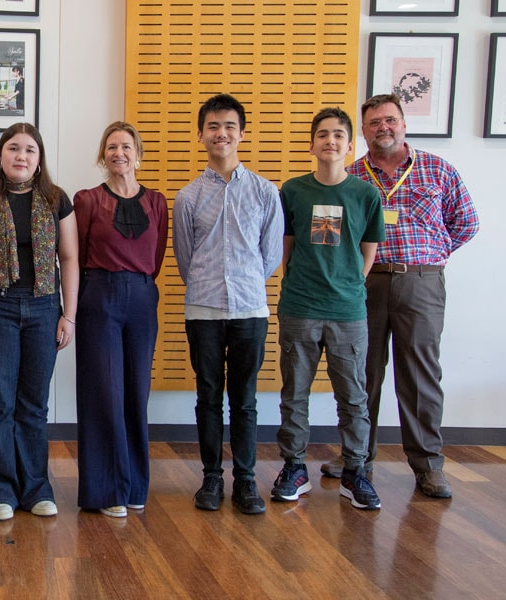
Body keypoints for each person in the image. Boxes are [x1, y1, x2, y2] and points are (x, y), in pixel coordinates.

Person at [325, 93, 479, 498]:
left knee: (420, 375)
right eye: (374, 122)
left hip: (421, 283)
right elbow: (332, 236)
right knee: (361, 374)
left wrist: (431, 257)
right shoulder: (351, 176)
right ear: (364, 131)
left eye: (390, 120)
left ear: (404, 124)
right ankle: (357, 457)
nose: (383, 128)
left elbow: (466, 222)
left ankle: (428, 464)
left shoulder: (438, 170)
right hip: (365, 284)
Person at [0, 122, 78, 521]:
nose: (21, 156)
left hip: (45, 308)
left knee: (34, 404)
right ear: (1, 155)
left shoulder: (57, 200)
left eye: (29, 149)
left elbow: (70, 258)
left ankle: (35, 489)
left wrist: (69, 315)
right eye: (13, 148)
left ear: (39, 158)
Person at [173, 94, 283, 515]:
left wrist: (244, 281)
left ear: (242, 134)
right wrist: (209, 284)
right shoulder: (188, 197)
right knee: (207, 396)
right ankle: (211, 478)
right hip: (203, 309)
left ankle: (247, 480)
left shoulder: (265, 192)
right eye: (213, 126)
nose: (221, 133)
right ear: (201, 135)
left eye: (229, 126)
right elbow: (186, 258)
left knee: (245, 398)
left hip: (250, 309)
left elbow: (270, 256)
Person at [272, 107, 385, 511]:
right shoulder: (293, 191)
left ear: (350, 146)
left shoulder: (366, 195)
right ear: (311, 144)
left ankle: (356, 472)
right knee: (294, 394)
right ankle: (294, 468)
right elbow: (286, 248)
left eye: (338, 135)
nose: (330, 141)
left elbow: (367, 253)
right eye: (322, 134)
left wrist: (345, 287)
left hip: (348, 312)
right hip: (300, 307)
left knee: (353, 398)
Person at [73, 121, 168, 518]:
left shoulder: (157, 202)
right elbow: (75, 256)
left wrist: (136, 284)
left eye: (126, 147)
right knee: (104, 392)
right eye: (111, 147)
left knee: (136, 392)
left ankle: (134, 486)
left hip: (143, 298)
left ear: (138, 155)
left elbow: (157, 256)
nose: (119, 153)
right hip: (100, 296)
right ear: (103, 155)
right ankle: (107, 490)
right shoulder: (87, 200)